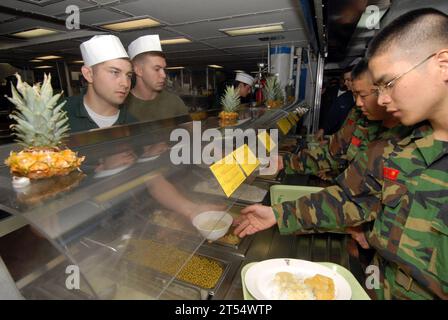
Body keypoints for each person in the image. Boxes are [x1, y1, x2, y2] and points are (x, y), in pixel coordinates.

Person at [235, 8, 448, 299]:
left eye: (389, 83)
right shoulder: (400, 145)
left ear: (443, 64)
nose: (382, 99)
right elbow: (352, 197)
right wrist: (277, 213)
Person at [278, 59, 384, 181]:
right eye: (355, 95)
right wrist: (286, 163)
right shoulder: (357, 113)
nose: (358, 102)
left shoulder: (402, 135)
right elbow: (336, 149)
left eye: (363, 95)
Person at [63, 35, 136, 132]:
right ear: (89, 74)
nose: (126, 84)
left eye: (129, 75)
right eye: (115, 72)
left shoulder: (133, 124)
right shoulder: (57, 116)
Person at [125, 35, 189, 122]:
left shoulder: (174, 102)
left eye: (164, 69)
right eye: (157, 69)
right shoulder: (121, 104)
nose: (163, 75)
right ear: (138, 70)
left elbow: (190, 132)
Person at [321, 66, 355, 135]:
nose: (345, 83)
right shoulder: (342, 98)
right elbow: (332, 118)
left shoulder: (370, 100)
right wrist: (323, 130)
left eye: (348, 80)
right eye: (345, 80)